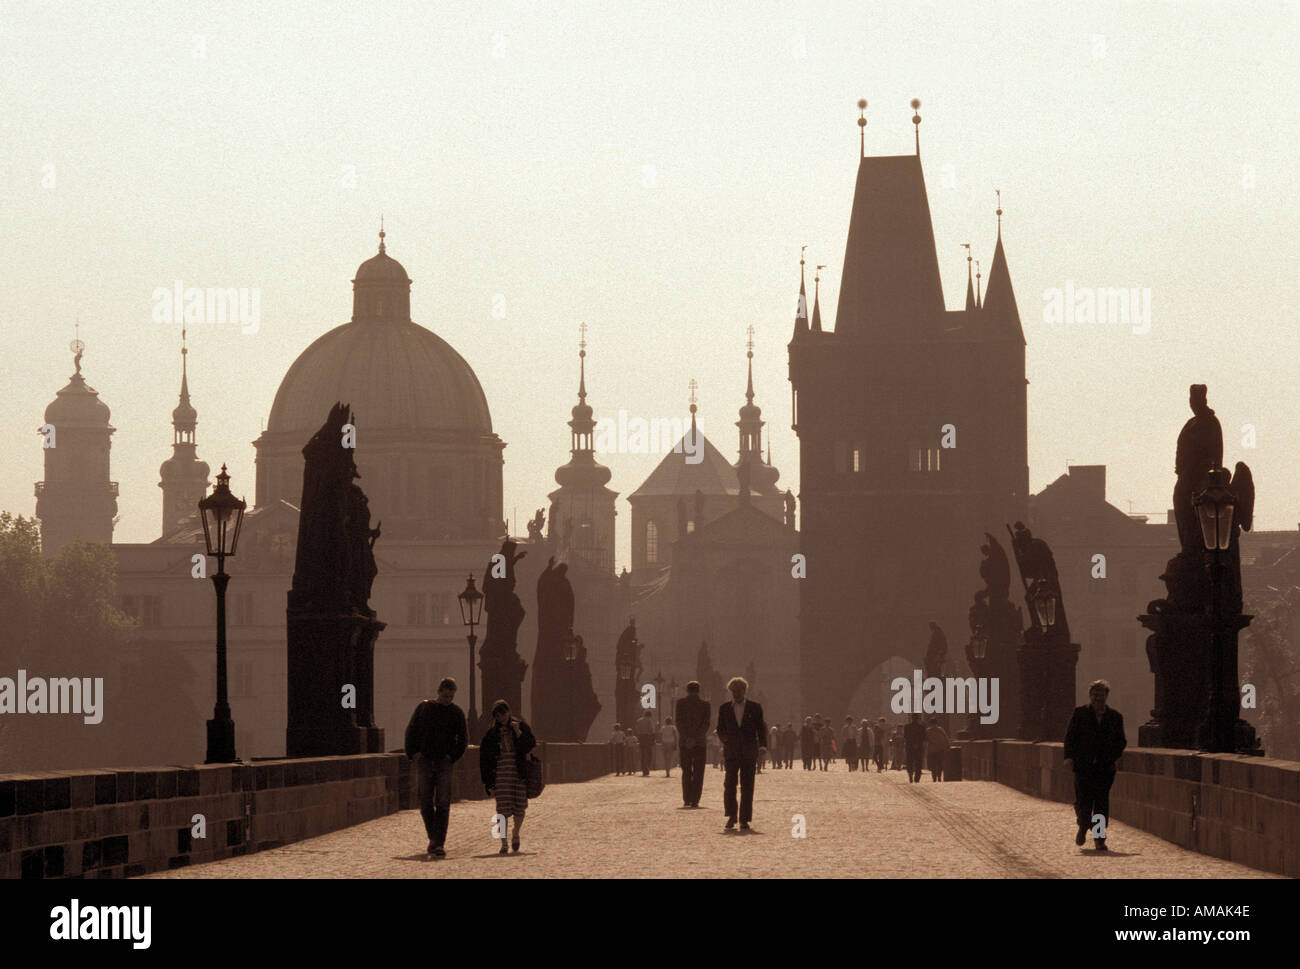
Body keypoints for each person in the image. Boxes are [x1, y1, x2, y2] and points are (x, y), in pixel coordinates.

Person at [403, 676, 468, 857]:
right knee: (425, 802)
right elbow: (411, 731)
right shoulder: (424, 708)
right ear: (439, 692)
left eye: (451, 697)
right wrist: (413, 753)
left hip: (444, 762)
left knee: (443, 803)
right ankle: (434, 838)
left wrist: (451, 756)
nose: (448, 700)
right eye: (446, 696)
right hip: (424, 760)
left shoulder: (456, 713)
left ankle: (438, 842)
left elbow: (463, 740)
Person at [1064, 679, 1127, 851]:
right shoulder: (1080, 714)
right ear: (1090, 696)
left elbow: (1121, 741)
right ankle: (1084, 825)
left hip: (1104, 768)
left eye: (1101, 695)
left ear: (1107, 696)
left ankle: (1099, 839)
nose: (1097, 698)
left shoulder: (1115, 717)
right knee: (1083, 801)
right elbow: (1070, 737)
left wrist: (1112, 757)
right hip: (1083, 766)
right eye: (1094, 694)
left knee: (1100, 804)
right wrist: (1069, 757)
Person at [479, 699, 536, 854]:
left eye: (503, 713)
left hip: (518, 772)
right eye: (498, 715)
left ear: (509, 712)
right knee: (502, 809)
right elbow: (484, 759)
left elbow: (530, 745)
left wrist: (518, 733)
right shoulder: (491, 734)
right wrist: (488, 781)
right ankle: (503, 843)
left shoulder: (521, 727)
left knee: (520, 806)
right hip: (501, 774)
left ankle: (516, 832)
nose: (501, 717)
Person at [715, 676, 767, 830]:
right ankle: (731, 816)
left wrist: (763, 746)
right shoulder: (724, 708)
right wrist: (726, 741)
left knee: (747, 786)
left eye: (739, 691)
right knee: (729, 785)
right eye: (733, 691)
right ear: (731, 691)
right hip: (731, 752)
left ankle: (744, 819)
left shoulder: (755, 707)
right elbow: (720, 728)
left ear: (744, 691)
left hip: (749, 752)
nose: (736, 693)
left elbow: (761, 728)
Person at [676, 681, 711, 807]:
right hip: (700, 743)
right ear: (699, 690)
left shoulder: (680, 703)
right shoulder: (706, 705)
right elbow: (706, 724)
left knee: (686, 771)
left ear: (687, 690)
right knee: (698, 771)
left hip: (684, 743)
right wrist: (696, 739)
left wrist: (687, 738)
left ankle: (687, 798)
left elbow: (679, 722)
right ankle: (695, 799)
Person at [904, 713, 926, 783]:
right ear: (918, 719)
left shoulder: (907, 727)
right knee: (918, 763)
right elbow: (923, 738)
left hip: (909, 747)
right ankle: (917, 778)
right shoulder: (922, 727)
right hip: (919, 747)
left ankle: (910, 776)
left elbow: (905, 737)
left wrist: (912, 743)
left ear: (912, 718)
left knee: (910, 762)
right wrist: (917, 744)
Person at [925, 717, 949, 782]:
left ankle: (934, 777)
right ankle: (939, 776)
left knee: (933, 765)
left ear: (930, 723)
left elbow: (925, 740)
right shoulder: (940, 729)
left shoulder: (928, 730)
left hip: (932, 750)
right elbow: (946, 737)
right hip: (940, 749)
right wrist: (947, 745)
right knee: (939, 764)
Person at [635, 709, 657, 776]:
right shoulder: (649, 720)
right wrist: (653, 738)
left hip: (641, 738)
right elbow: (651, 730)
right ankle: (647, 768)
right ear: (649, 715)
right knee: (649, 753)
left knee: (643, 754)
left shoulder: (638, 721)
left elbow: (637, 730)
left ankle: (643, 769)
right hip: (647, 737)